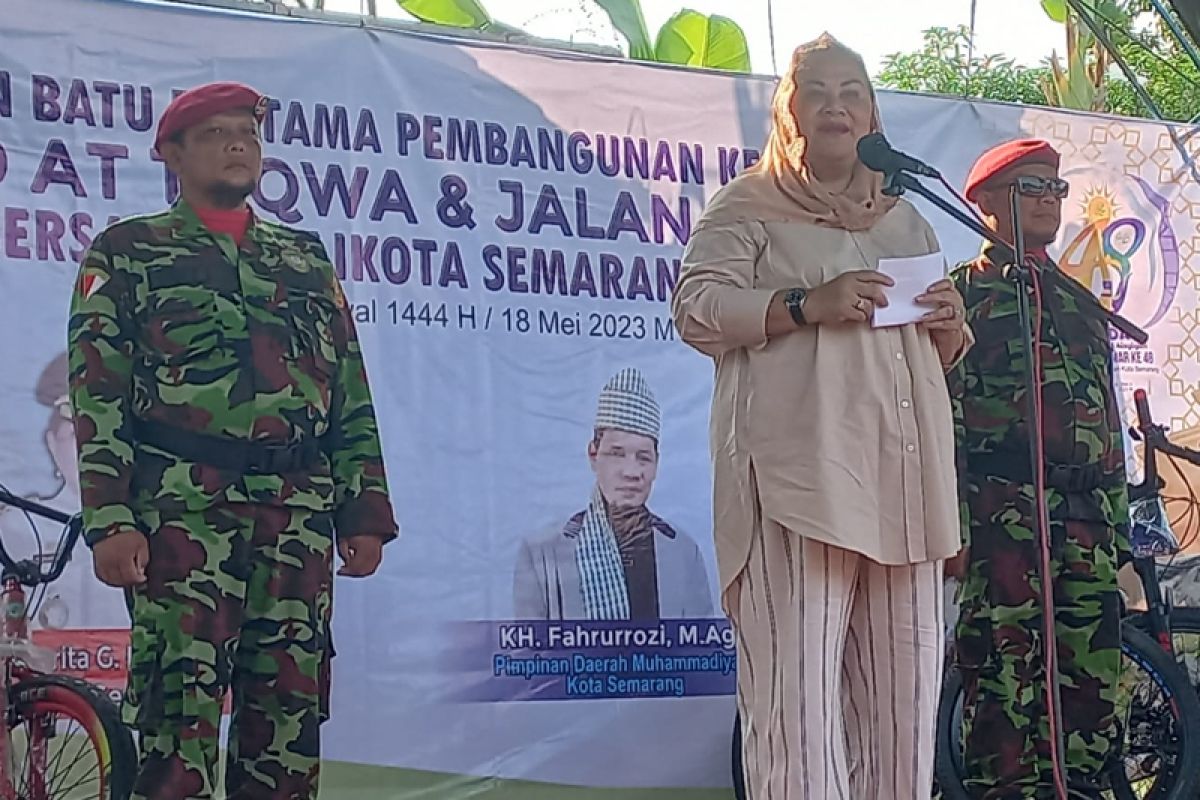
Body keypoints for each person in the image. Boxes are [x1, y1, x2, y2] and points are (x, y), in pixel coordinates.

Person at [67, 81, 398, 800]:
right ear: (172, 155)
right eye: (215, 133)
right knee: (175, 725)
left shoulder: (305, 260)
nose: (239, 143)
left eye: (247, 131)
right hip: (182, 520)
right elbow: (98, 391)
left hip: (297, 521)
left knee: (286, 724)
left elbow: (347, 386)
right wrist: (110, 519)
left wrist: (364, 511)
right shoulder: (129, 252)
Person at [671, 34, 969, 800]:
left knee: (904, 740)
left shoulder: (907, 222)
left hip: (902, 493)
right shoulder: (747, 206)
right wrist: (807, 304)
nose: (837, 106)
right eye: (819, 92)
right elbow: (697, 310)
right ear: (789, 111)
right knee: (799, 733)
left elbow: (921, 363)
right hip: (795, 488)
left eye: (853, 92)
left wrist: (947, 325)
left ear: (873, 111)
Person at [948, 138, 1128, 799]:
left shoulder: (1081, 304)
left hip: (1082, 524)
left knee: (1088, 688)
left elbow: (1105, 422)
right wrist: (954, 528)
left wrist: (1117, 528)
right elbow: (940, 419)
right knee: (1002, 679)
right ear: (986, 203)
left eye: (1056, 190)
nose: (1049, 202)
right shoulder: (957, 298)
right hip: (1001, 517)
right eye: (1031, 189)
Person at [513, 367, 714, 620]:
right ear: (593, 455)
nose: (631, 472)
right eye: (617, 454)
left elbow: (701, 653)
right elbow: (527, 656)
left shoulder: (683, 553)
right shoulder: (542, 554)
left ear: (656, 465)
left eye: (643, 458)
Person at [0, 352, 128, 631]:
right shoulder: (15, 526)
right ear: (51, 442)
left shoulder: (154, 522)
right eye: (74, 435)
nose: (88, 452)